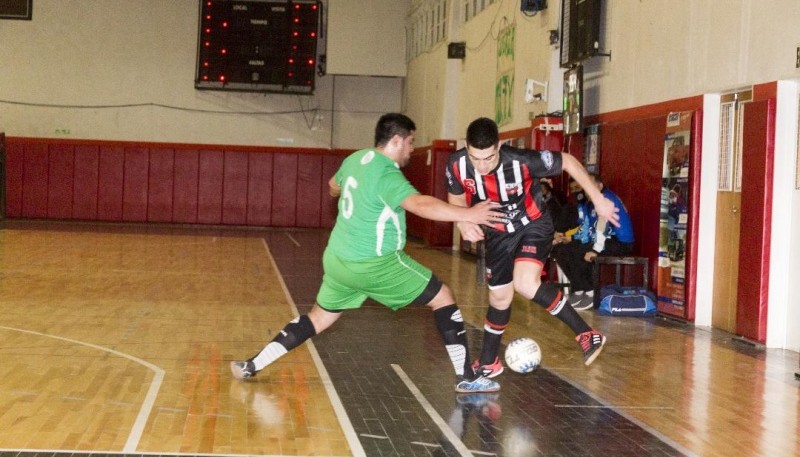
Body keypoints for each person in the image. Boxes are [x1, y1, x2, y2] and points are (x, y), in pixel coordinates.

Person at [230, 113, 507, 394]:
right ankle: (467, 377)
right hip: (375, 264)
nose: (412, 149)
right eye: (410, 142)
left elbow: (333, 186)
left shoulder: (355, 160)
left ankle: (252, 364)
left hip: (338, 260)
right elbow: (420, 204)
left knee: (318, 317)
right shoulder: (386, 173)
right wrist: (468, 213)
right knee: (443, 296)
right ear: (396, 140)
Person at [445, 117, 620, 373]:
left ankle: (586, 334)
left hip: (533, 224)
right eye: (476, 158)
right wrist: (462, 220)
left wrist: (598, 199)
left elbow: (568, 161)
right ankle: (489, 362)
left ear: (499, 146)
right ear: (466, 149)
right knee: (499, 296)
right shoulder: (456, 164)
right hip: (497, 231)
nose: (482, 166)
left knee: (526, 283)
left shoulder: (522, 160)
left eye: (489, 157)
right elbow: (456, 197)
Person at [551, 178, 598, 310]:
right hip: (581, 237)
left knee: (575, 250)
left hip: (596, 240)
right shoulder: (573, 207)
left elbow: (592, 230)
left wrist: (572, 238)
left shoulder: (595, 204)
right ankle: (578, 288)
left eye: (578, 187)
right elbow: (582, 228)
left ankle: (589, 291)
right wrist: (563, 236)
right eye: (573, 189)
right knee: (558, 250)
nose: (576, 192)